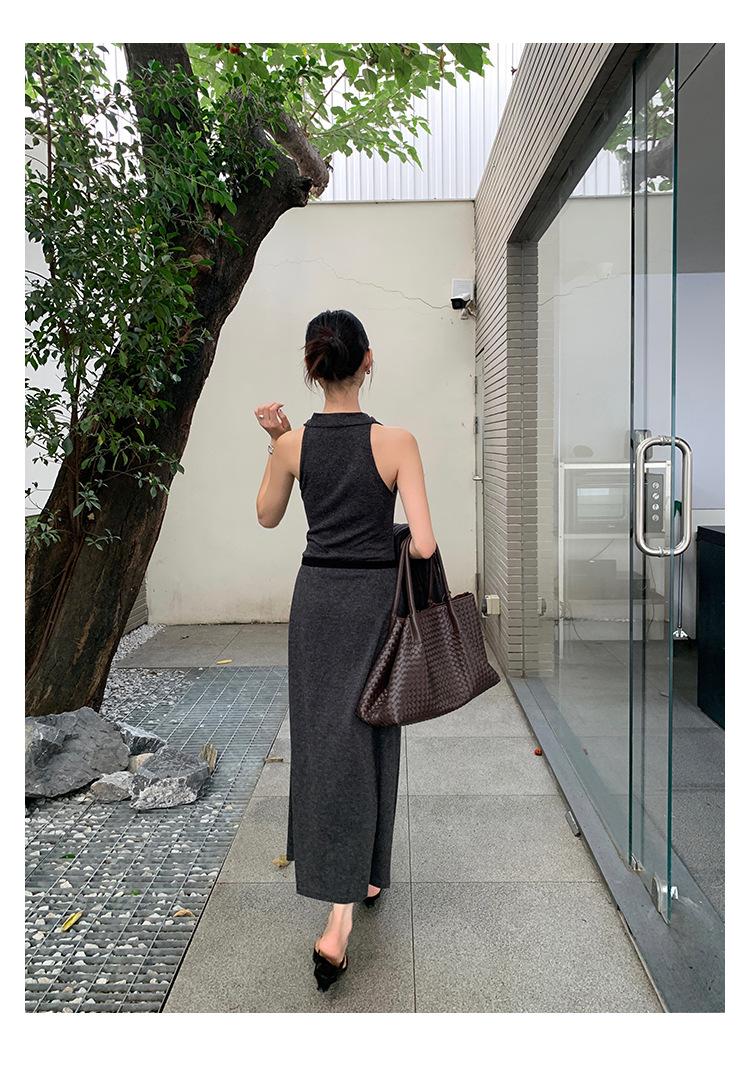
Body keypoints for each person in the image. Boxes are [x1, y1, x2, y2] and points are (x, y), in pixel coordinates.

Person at [254, 308, 437, 992]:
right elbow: (423, 544)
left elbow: (267, 516)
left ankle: (354, 879)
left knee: (324, 740)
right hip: (373, 605)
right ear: (367, 360)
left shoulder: (292, 444)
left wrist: (277, 443)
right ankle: (343, 911)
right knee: (372, 733)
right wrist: (380, 540)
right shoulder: (397, 441)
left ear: (313, 368)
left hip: (316, 605)